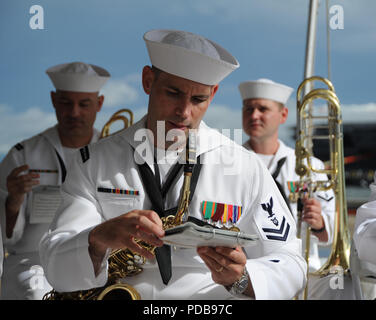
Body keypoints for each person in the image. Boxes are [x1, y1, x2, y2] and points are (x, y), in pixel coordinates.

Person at [40, 29, 306, 300]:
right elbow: (55, 263)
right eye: (173, 93)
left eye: (198, 99)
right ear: (147, 80)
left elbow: (290, 261)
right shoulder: (93, 161)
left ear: (213, 94)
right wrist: (96, 240)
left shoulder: (244, 166)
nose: (184, 111)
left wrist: (242, 279)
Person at [0, 61, 110, 299]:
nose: (74, 113)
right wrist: (13, 201)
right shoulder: (22, 155)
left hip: (95, 258)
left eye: (84, 104)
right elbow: (8, 240)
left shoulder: (112, 153)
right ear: (53, 100)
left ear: (99, 104)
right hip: (33, 260)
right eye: (65, 103)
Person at [239, 78, 341, 299]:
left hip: (304, 271)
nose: (254, 115)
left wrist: (320, 223)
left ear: (283, 115)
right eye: (248, 109)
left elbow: (334, 231)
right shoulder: (229, 162)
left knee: (341, 285)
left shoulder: (311, 166)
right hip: (246, 270)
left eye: (262, 109)